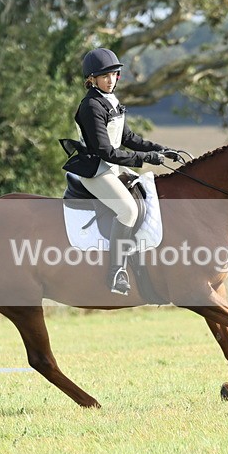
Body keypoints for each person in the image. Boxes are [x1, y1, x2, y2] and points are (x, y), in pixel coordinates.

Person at [71, 47, 169, 296]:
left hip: (112, 167)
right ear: (91, 79)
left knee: (148, 191)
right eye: (104, 76)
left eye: (113, 75)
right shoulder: (91, 106)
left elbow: (128, 138)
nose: (110, 80)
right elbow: (106, 152)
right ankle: (116, 272)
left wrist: (161, 149)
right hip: (96, 170)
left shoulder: (110, 101)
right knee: (128, 210)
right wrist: (146, 158)